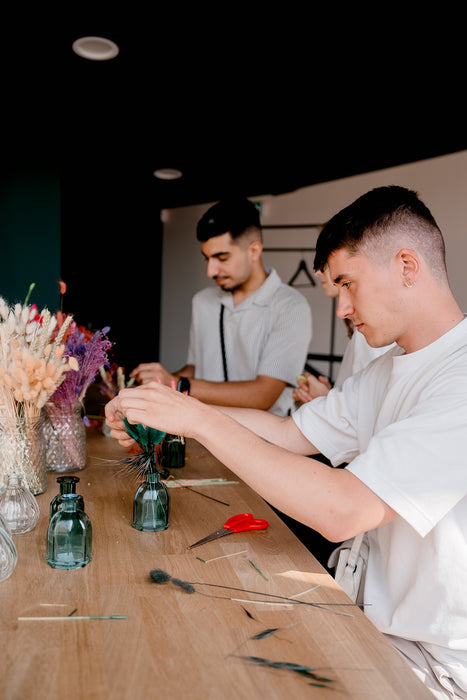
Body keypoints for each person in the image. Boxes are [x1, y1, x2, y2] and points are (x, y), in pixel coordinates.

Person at [106, 186, 467, 699]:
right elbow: (288, 432)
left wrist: (197, 418)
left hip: (434, 666)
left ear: (407, 266)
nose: (341, 308)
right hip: (371, 620)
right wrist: (175, 413)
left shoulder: (460, 378)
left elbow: (344, 509)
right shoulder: (386, 369)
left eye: (348, 283)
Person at [130, 197, 312, 416]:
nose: (211, 271)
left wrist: (178, 384)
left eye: (221, 257)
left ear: (254, 251)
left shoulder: (291, 306)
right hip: (203, 432)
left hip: (264, 441)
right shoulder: (202, 301)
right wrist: (158, 383)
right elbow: (197, 368)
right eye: (207, 258)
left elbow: (264, 394)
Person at [293, 266, 394, 405]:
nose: (317, 272)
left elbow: (366, 410)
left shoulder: (369, 333)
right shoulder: (366, 330)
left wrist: (324, 400)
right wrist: (331, 394)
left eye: (324, 263)